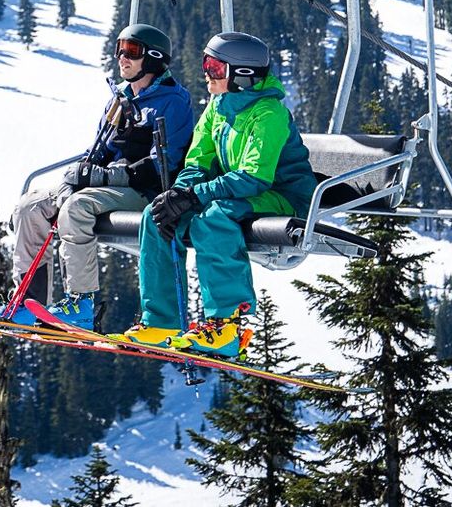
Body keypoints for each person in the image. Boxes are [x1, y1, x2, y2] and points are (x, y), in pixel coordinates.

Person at [116, 31, 317, 358]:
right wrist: (178, 194)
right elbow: (198, 161)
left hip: (281, 196)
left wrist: (194, 197)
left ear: (243, 75)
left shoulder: (269, 114)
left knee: (213, 218)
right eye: (206, 64)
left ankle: (226, 325)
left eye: (215, 67)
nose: (206, 74)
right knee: (156, 215)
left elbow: (254, 177)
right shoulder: (218, 107)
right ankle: (162, 322)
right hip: (236, 191)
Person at [0, 23, 193, 331]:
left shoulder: (172, 102)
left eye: (132, 51)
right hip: (109, 186)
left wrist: (101, 177)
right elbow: (97, 151)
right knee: (29, 208)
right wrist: (76, 177)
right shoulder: (120, 99)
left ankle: (81, 304)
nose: (122, 57)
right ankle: (31, 303)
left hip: (147, 191)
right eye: (120, 49)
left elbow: (161, 164)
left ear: (153, 58)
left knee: (77, 207)